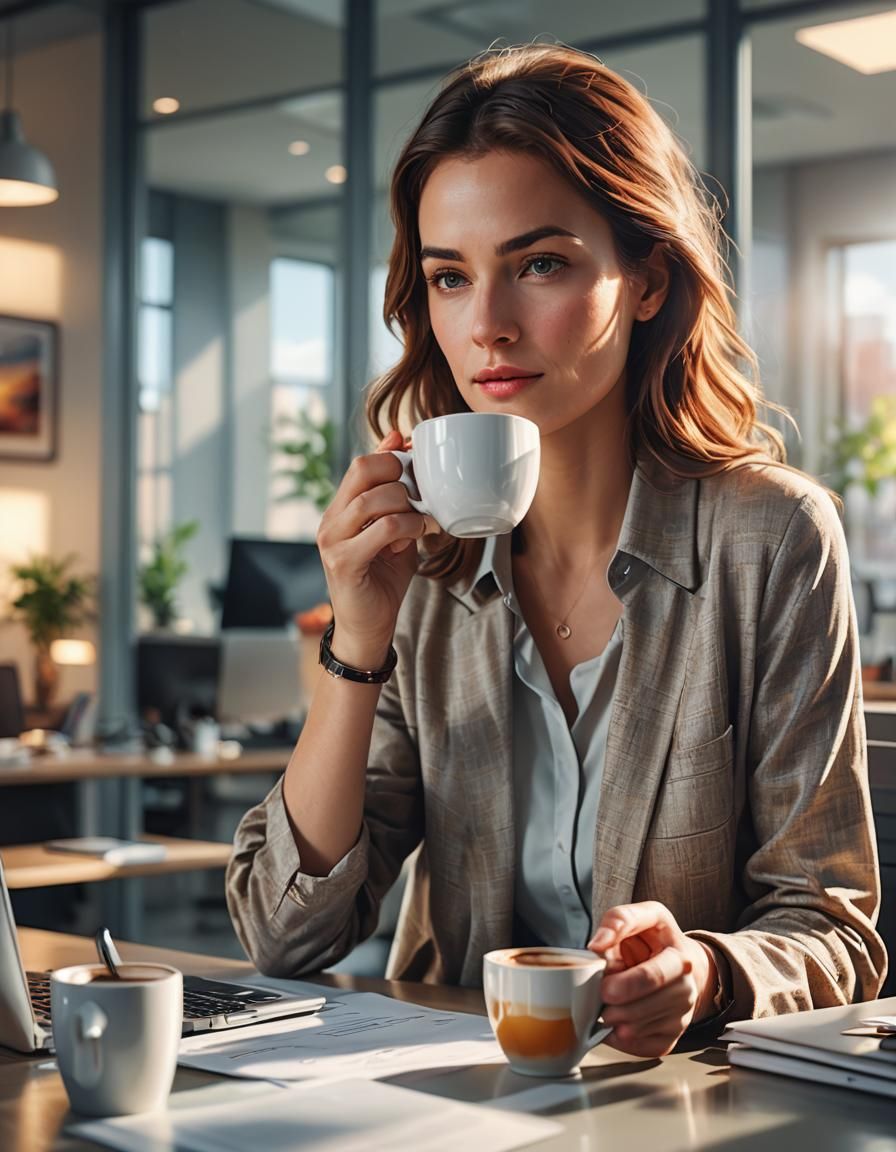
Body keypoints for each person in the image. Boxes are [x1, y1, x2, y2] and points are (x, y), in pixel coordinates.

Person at [227, 43, 886, 1058]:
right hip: (445, 1100)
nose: (486, 324)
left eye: (537, 264)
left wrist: (706, 971)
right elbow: (284, 934)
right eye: (450, 277)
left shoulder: (771, 538)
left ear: (646, 281)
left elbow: (831, 924)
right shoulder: (430, 571)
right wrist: (358, 638)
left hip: (681, 1107)